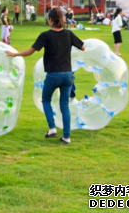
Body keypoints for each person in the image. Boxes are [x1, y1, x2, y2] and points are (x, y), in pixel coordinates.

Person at [5, 8, 85, 144]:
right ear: (62, 20)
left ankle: (52, 128)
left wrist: (15, 54)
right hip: (67, 75)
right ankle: (67, 137)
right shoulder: (69, 34)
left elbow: (30, 52)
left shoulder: (45, 35)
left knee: (46, 99)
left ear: (50, 21)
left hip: (53, 75)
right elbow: (83, 47)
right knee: (64, 105)